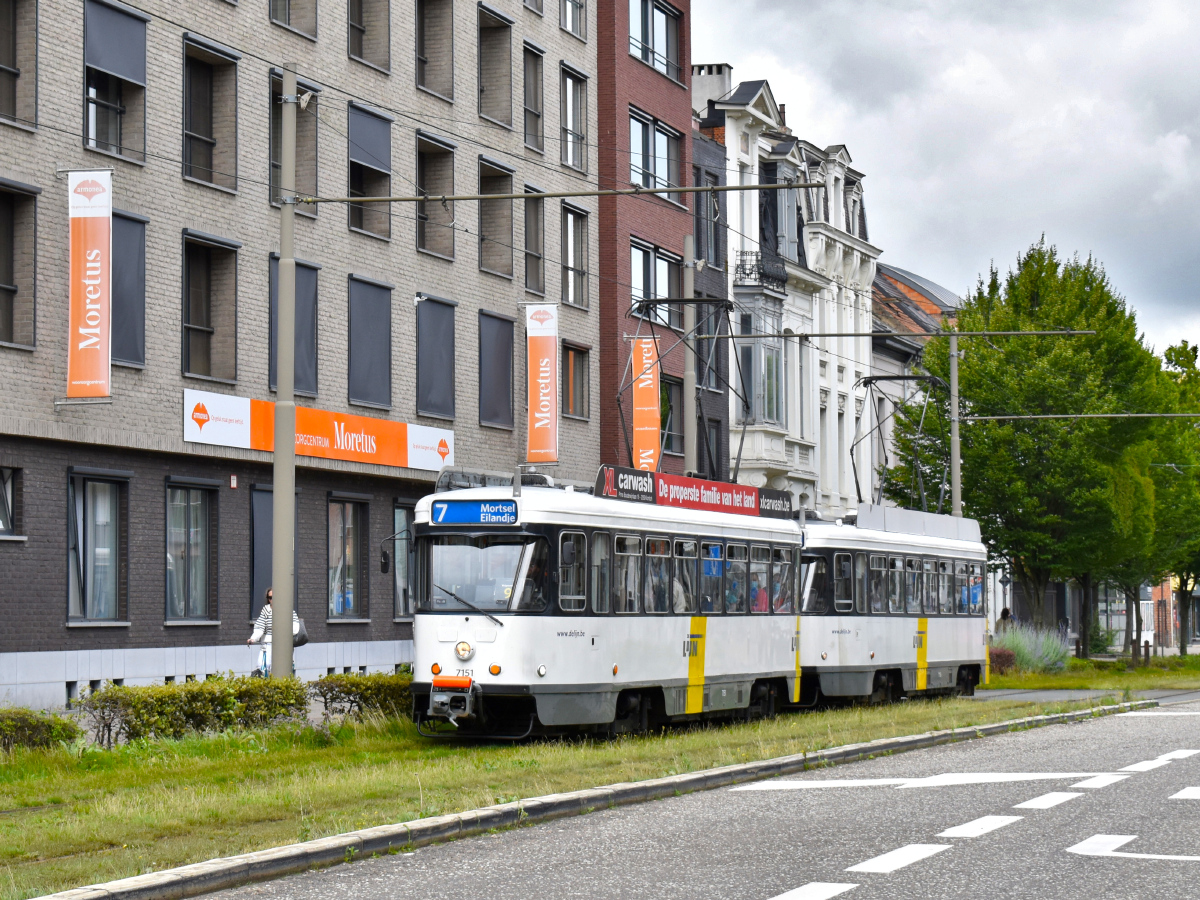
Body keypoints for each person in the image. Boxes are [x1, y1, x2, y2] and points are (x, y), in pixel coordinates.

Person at [248, 588, 300, 674]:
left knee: (284, 669)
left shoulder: (288, 610)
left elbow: (295, 627)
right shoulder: (266, 610)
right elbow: (260, 627)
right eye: (270, 598)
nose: (272, 600)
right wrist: (253, 638)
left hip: (284, 644)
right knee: (263, 669)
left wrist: (284, 631)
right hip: (268, 645)